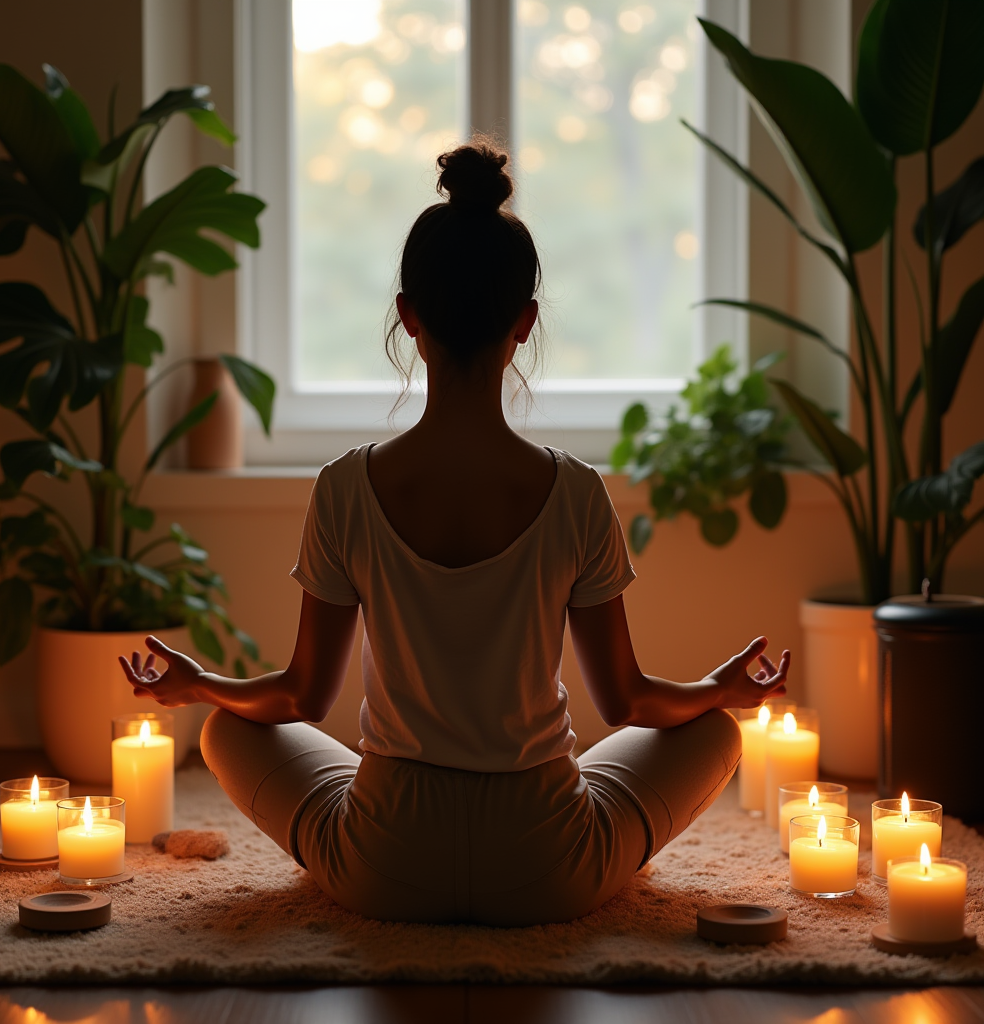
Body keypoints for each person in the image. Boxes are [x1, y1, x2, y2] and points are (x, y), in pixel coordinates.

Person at [119, 140, 789, 927]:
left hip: (384, 863)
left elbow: (301, 695)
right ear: (525, 322)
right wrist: (724, 690)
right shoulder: (576, 492)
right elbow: (628, 701)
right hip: (547, 870)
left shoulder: (344, 487)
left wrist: (198, 685)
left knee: (229, 731)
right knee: (713, 733)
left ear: (408, 318)